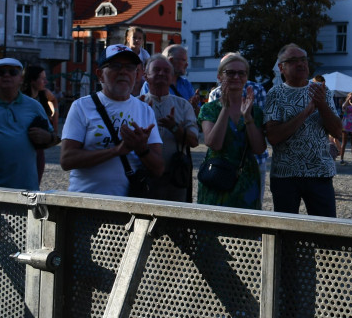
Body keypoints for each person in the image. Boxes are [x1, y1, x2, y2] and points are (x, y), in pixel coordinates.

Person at [61, 45, 163, 196]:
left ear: (136, 75)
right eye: (115, 66)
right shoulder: (82, 106)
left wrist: (142, 149)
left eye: (129, 67)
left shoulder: (145, 110)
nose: (123, 71)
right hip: (86, 201)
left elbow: (158, 169)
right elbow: (67, 159)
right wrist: (116, 151)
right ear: (100, 74)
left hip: (129, 205)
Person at [264, 44, 341, 217]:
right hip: (286, 175)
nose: (300, 64)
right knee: (286, 232)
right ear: (281, 67)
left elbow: (337, 131)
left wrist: (321, 105)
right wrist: (305, 112)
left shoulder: (322, 91)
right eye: (293, 61)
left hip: (320, 173)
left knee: (325, 230)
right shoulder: (275, 94)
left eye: (303, 60)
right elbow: (274, 137)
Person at [0, 58, 55, 190]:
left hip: (25, 187)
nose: (7, 76)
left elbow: (50, 138)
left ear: (21, 78)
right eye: (1, 72)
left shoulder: (34, 106)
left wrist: (47, 137)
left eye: (13, 72)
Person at [198, 53, 266, 209]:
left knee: (246, 229)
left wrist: (248, 117)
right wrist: (225, 109)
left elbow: (259, 148)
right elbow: (213, 143)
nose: (236, 76)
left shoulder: (255, 111)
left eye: (241, 73)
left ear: (246, 77)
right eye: (230, 72)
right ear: (220, 77)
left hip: (246, 180)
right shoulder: (209, 109)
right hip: (216, 177)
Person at [142, 55, 200, 202]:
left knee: (175, 222)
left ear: (172, 76)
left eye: (166, 71)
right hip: (142, 176)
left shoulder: (183, 105)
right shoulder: (136, 104)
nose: (161, 73)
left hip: (175, 177)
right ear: (145, 76)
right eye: (156, 70)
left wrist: (175, 128)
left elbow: (194, 142)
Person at [23, 64, 59, 185]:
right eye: (42, 78)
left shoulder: (44, 94)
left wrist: (55, 116)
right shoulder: (21, 97)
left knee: (36, 178)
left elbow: (54, 100)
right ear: (32, 80)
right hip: (24, 144)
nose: (46, 81)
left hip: (38, 145)